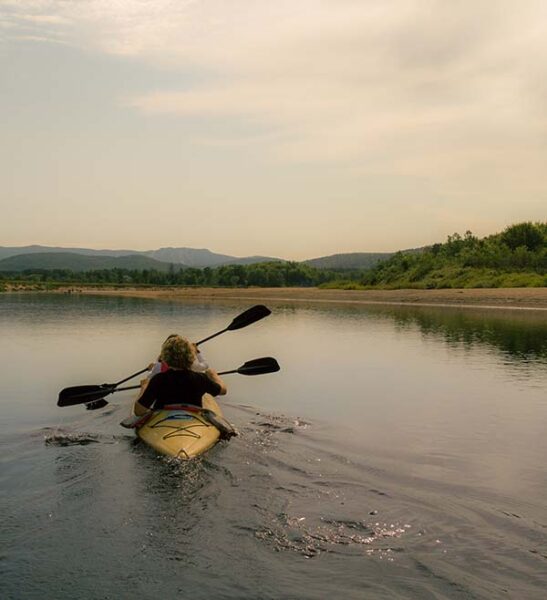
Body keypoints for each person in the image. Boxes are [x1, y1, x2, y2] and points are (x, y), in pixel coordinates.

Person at [133, 335, 227, 417]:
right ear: (191, 356)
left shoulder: (158, 379)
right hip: (193, 419)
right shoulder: (200, 378)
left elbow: (138, 411)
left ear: (165, 358)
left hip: (162, 420)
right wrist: (214, 375)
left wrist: (144, 387)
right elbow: (223, 391)